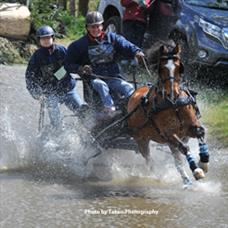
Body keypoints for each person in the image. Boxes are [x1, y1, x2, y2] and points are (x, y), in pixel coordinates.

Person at [64, 11, 145, 118]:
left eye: (98, 26)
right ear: (87, 28)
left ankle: (132, 109)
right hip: (94, 79)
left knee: (127, 87)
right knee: (102, 85)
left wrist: (137, 52)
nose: (95, 29)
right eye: (92, 27)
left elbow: (126, 45)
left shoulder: (113, 38)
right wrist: (80, 68)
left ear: (102, 26)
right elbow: (68, 64)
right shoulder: (78, 45)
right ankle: (110, 110)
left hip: (112, 77)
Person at [25, 25, 88, 129]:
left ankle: (86, 131)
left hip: (68, 89)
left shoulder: (62, 50)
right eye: (43, 38)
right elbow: (29, 78)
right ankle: (57, 133)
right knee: (55, 118)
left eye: (48, 38)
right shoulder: (36, 57)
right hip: (50, 93)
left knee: (82, 110)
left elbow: (72, 64)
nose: (46, 40)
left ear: (53, 38)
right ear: (39, 40)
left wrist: (80, 69)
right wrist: (37, 93)